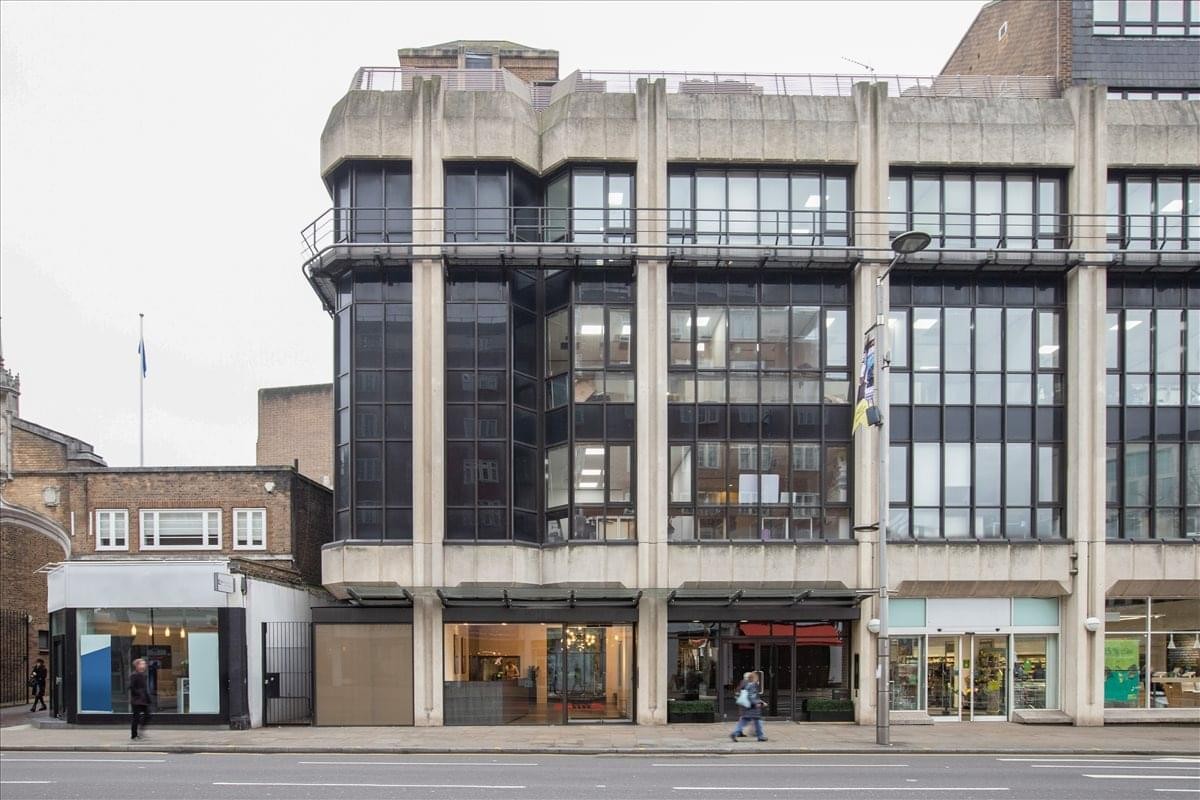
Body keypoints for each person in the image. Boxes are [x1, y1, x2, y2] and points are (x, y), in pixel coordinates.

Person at [730, 670, 768, 742]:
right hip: (753, 708)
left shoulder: (746, 685)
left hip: (747, 708)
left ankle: (735, 733)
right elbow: (752, 697)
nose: (757, 680)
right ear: (754, 678)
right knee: (758, 722)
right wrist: (759, 703)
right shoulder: (752, 685)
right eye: (756, 678)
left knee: (744, 721)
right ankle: (760, 736)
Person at [129, 658, 151, 740]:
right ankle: (134, 735)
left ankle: (140, 730)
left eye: (144, 663)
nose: (144, 665)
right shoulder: (134, 675)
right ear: (137, 665)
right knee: (136, 717)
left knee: (148, 715)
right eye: (142, 663)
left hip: (144, 700)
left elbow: (144, 688)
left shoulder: (144, 675)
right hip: (136, 700)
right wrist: (138, 693)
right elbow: (131, 687)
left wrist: (147, 698)